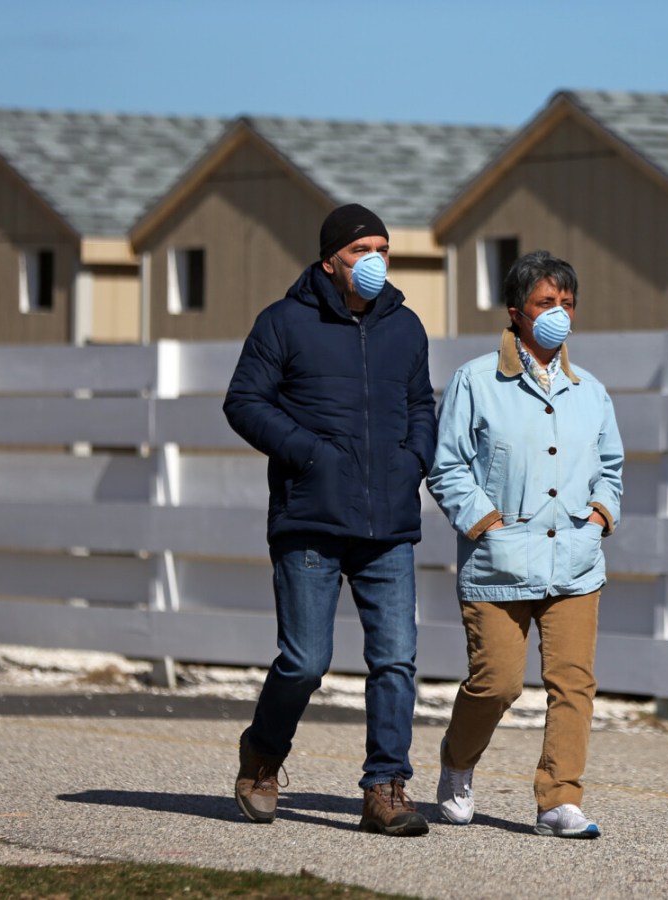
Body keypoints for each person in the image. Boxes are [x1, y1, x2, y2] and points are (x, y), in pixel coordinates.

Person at [223, 203, 435, 837]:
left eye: (382, 249)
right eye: (359, 251)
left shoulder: (406, 326)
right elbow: (244, 401)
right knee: (305, 662)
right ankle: (262, 755)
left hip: (388, 524)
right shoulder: (283, 321)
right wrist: (311, 454)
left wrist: (413, 460)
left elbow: (421, 406)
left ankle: (385, 788)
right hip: (310, 518)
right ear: (329, 263)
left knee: (395, 660)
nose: (374, 261)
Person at [426, 250, 624, 838]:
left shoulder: (591, 390)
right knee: (498, 683)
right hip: (500, 563)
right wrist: (486, 523)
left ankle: (559, 800)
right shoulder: (475, 381)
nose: (559, 312)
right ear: (516, 312)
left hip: (576, 562)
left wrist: (600, 515)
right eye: (545, 302)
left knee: (573, 684)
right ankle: (457, 761)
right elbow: (447, 466)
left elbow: (610, 468)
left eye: (567, 302)